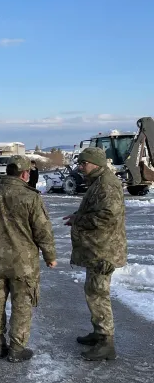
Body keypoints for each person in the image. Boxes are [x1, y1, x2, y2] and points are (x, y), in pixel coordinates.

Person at [0, 155, 57, 363]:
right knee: (22, 304)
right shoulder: (31, 197)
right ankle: (17, 349)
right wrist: (50, 256)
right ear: (25, 174)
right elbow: (42, 230)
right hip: (23, 264)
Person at [64, 147, 127, 361]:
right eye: (80, 163)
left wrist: (78, 220)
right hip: (97, 248)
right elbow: (97, 211)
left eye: (84, 163)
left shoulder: (107, 184)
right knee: (93, 291)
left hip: (103, 250)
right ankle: (99, 334)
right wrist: (77, 215)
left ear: (96, 163)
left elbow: (107, 216)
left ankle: (106, 342)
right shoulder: (99, 182)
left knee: (98, 295)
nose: (81, 167)